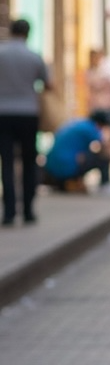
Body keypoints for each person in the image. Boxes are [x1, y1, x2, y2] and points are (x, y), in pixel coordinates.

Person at [0, 19, 49, 226]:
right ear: (28, 34)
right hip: (28, 113)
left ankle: (9, 211)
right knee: (29, 161)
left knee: (7, 162)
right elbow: (48, 84)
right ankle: (28, 210)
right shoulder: (34, 56)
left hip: (3, 113)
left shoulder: (1, 54)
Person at [44, 112, 110, 192]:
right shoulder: (91, 128)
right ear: (100, 124)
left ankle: (67, 183)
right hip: (67, 166)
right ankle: (105, 185)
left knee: (83, 156)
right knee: (103, 157)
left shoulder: (78, 124)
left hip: (51, 167)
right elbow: (105, 148)